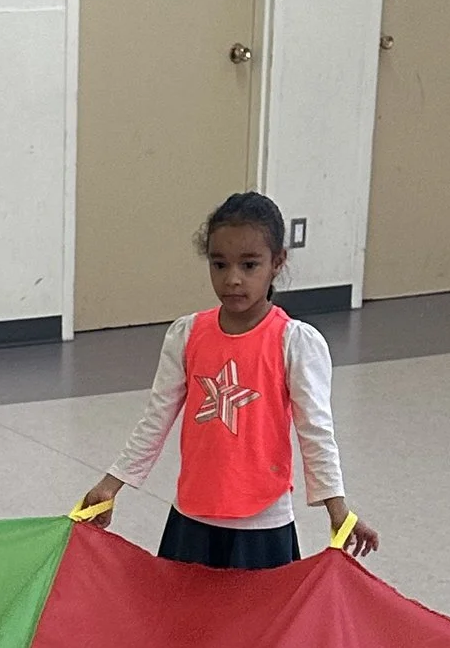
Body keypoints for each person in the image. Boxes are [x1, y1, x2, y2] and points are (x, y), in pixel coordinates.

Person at [79, 190, 376, 567]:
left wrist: (339, 510)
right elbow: (156, 418)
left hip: (263, 522)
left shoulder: (294, 342)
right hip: (193, 516)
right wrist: (111, 483)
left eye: (249, 265)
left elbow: (315, 431)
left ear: (277, 263)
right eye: (219, 264)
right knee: (188, 623)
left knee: (260, 626)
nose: (233, 279)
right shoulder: (187, 334)